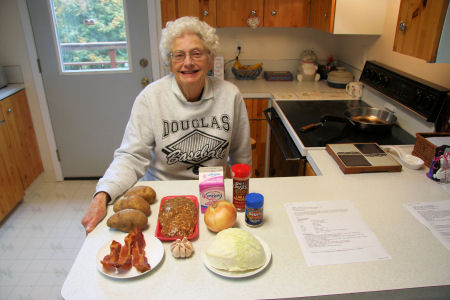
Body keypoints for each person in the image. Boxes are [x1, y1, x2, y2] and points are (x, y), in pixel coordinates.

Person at [81, 16, 252, 234]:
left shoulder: (230, 95)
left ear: (210, 59)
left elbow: (241, 156)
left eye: (197, 53)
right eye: (178, 55)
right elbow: (131, 156)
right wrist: (102, 195)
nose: (188, 62)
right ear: (169, 62)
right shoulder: (151, 98)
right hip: (162, 197)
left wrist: (242, 200)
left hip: (214, 199)